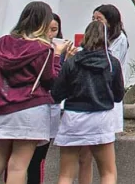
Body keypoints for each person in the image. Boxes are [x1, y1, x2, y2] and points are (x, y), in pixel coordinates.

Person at [0, 0, 70, 184]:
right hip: (31, 110)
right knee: (18, 166)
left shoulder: (0, 44)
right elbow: (50, 82)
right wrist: (57, 55)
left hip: (2, 111)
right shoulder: (44, 49)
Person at [51, 21, 125, 184]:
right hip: (101, 118)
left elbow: (56, 94)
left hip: (73, 118)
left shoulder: (72, 61)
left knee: (66, 175)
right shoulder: (112, 63)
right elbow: (118, 96)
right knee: (107, 173)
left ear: (85, 36)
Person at [26, 13, 64, 184]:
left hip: (51, 108)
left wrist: (63, 58)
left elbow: (58, 82)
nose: (51, 34)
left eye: (54, 30)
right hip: (29, 107)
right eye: (48, 30)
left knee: (38, 158)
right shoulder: (32, 50)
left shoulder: (61, 51)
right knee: (17, 160)